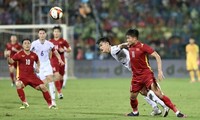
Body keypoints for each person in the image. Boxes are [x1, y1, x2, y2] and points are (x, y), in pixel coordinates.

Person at [97, 37, 170, 116]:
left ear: (107, 43)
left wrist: (128, 44)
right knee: (143, 91)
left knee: (144, 91)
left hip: (138, 70)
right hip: (137, 70)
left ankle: (163, 105)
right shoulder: (113, 51)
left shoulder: (114, 50)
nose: (100, 48)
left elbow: (121, 46)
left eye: (101, 45)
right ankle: (156, 108)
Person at [124, 28, 186, 118]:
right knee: (133, 97)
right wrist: (118, 46)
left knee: (158, 94)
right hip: (136, 76)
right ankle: (135, 112)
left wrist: (160, 71)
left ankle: (177, 112)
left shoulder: (143, 47)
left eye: (128, 38)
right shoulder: (129, 45)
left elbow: (157, 56)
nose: (127, 40)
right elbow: (123, 45)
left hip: (146, 74)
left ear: (134, 38)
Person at [4, 38, 55, 109]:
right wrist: (8, 57)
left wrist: (38, 67)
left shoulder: (34, 55)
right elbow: (11, 62)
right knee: (18, 84)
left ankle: (50, 105)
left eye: (28, 43)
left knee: (43, 87)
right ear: (22, 45)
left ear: (31, 45)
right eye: (25, 43)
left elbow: (38, 61)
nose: (27, 45)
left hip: (32, 77)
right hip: (22, 77)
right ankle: (24, 103)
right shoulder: (19, 54)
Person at [31, 28, 64, 107]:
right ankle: (48, 100)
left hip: (47, 64)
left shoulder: (49, 43)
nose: (42, 35)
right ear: (38, 35)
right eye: (40, 33)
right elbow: (29, 53)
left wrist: (60, 59)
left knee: (51, 81)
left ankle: (53, 101)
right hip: (38, 65)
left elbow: (55, 52)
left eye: (43, 33)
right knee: (42, 85)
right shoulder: (34, 43)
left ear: (45, 34)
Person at [49, 26, 71, 99]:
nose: (56, 33)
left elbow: (69, 49)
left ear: (60, 33)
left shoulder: (63, 41)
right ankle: (60, 92)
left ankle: (59, 90)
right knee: (56, 76)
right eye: (55, 32)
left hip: (62, 61)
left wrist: (64, 50)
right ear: (53, 33)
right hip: (53, 61)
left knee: (61, 77)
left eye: (57, 32)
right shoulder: (50, 41)